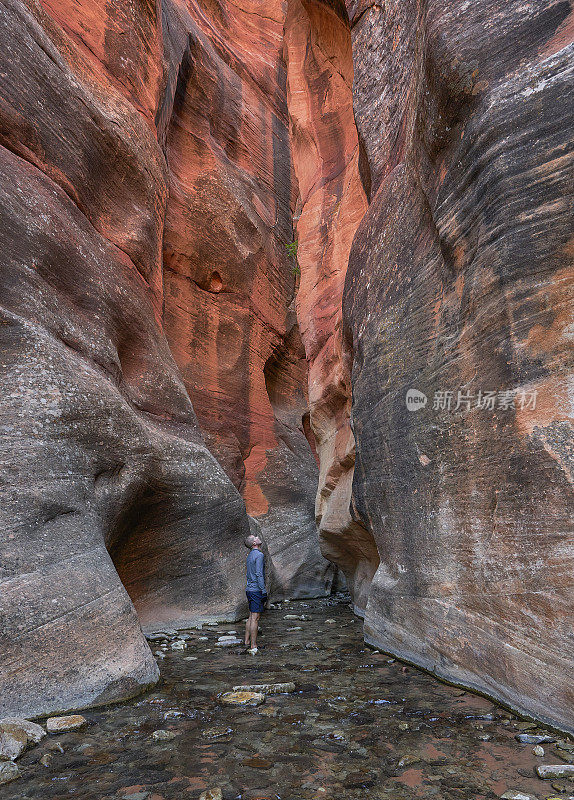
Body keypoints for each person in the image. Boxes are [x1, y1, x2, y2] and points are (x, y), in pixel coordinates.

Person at [244, 533, 267, 654]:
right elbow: (259, 574)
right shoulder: (259, 555)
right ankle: (253, 645)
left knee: (250, 616)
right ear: (254, 543)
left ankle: (247, 641)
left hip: (249, 589)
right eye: (256, 537)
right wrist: (263, 590)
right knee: (255, 618)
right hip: (256, 590)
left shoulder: (250, 556)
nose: (258, 538)